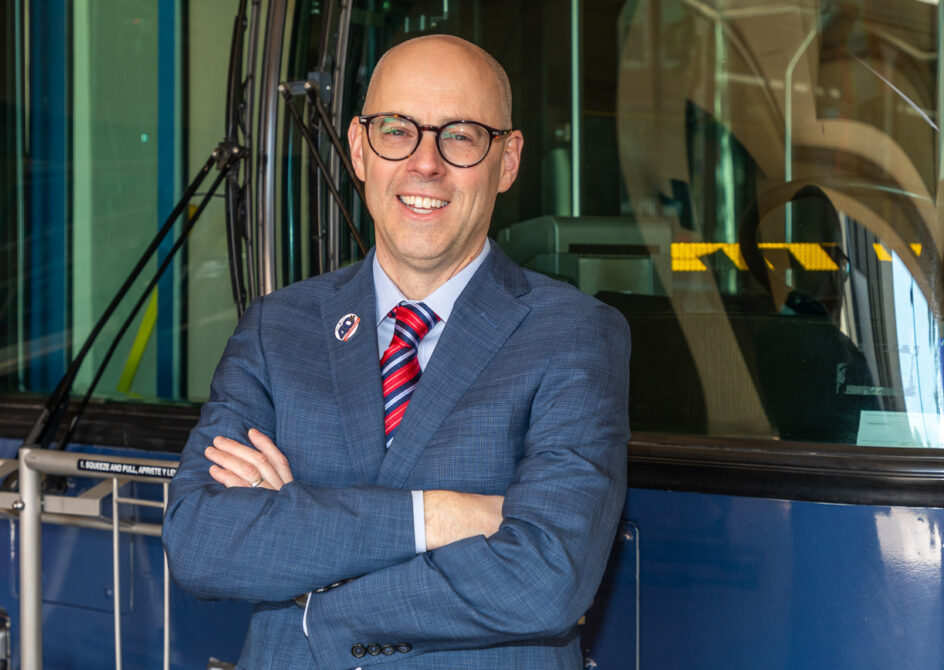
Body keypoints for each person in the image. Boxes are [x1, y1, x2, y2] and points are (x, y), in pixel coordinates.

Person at [162, 34, 630, 669]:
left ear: (508, 160)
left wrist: (310, 580)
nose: (425, 163)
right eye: (397, 131)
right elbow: (200, 542)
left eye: (461, 136)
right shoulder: (278, 329)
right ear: (359, 149)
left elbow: (546, 579)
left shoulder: (575, 334)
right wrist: (435, 516)